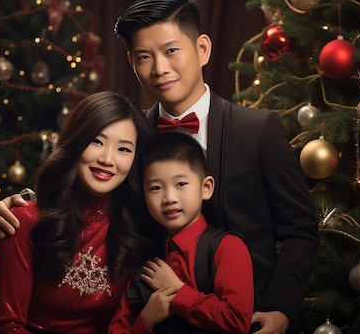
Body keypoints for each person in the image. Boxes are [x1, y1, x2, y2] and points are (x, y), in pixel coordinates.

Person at [0, 0, 318, 334]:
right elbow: (94, 198)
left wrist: (281, 310)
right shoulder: (131, 138)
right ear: (132, 63)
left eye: (172, 50)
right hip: (161, 322)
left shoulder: (258, 130)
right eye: (145, 57)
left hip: (249, 320)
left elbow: (300, 231)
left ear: (202, 49)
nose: (160, 69)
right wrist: (20, 206)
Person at [0, 91, 150, 333]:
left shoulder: (135, 228)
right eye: (97, 141)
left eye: (123, 149)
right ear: (76, 141)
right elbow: (6, 325)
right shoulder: (23, 220)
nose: (107, 159)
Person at [108, 131, 254, 334]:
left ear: (206, 187)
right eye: (156, 188)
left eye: (181, 184)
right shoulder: (144, 259)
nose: (169, 198)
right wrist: (147, 319)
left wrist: (178, 292)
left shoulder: (227, 248)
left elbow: (237, 321)